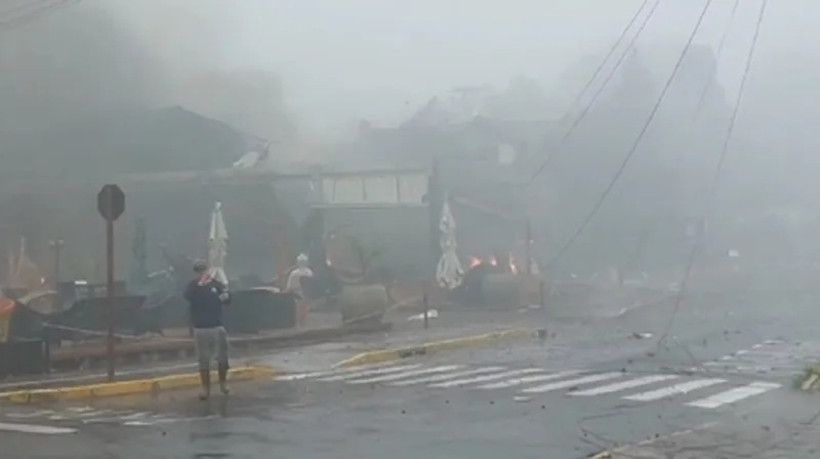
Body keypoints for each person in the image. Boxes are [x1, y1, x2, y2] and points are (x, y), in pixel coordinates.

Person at [183, 260, 230, 400]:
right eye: (199, 271)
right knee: (204, 359)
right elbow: (187, 296)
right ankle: (205, 388)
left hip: (217, 325)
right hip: (201, 327)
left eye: (204, 270)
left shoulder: (216, 284)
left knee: (222, 358)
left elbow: (227, 300)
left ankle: (223, 384)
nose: (202, 273)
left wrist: (227, 295)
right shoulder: (193, 286)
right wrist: (200, 284)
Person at [285, 253, 313, 327]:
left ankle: (299, 324)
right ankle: (303, 324)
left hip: (296, 295)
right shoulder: (310, 272)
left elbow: (289, 286)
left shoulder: (294, 273)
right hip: (306, 294)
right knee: (304, 309)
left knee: (298, 310)